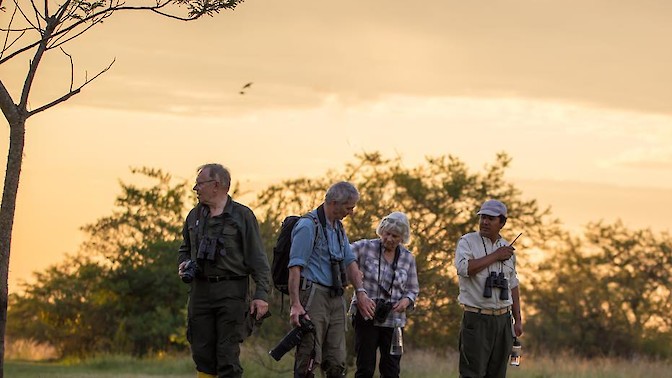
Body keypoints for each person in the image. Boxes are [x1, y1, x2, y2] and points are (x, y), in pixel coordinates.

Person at [177, 163, 270, 378]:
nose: (195, 189)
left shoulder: (242, 216)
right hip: (200, 292)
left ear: (216, 185)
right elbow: (184, 248)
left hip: (231, 292)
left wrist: (261, 296)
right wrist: (183, 264)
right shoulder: (194, 216)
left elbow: (258, 259)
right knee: (202, 355)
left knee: (227, 356)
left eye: (200, 184)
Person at [288, 181, 371, 378]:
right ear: (334, 203)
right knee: (309, 355)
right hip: (313, 294)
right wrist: (295, 304)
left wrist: (360, 292)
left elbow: (350, 261)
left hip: (336, 296)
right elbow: (294, 267)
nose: (351, 212)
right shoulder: (308, 226)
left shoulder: (339, 228)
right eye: (348, 207)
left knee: (336, 360)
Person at [454, 199, 523, 378]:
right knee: (472, 374)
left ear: (502, 223)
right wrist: (495, 256)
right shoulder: (467, 242)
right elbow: (465, 269)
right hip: (476, 318)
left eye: (491, 218)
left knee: (498, 373)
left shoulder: (507, 248)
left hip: (503, 320)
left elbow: (513, 284)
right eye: (483, 217)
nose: (485, 222)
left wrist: (518, 319)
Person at [349, 212, 420, 378]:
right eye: (386, 233)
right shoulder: (365, 247)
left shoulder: (408, 258)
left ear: (402, 237)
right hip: (367, 315)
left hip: (394, 321)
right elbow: (344, 254)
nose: (389, 239)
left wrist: (406, 301)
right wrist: (354, 271)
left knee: (391, 370)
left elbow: (413, 289)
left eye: (395, 236)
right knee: (365, 368)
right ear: (381, 231)